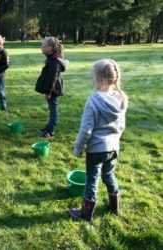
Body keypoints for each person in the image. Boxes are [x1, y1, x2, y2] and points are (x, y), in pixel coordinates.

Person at [69, 59, 128, 222]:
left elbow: (86, 130)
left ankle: (86, 214)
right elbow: (121, 126)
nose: (92, 81)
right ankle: (114, 205)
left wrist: (78, 148)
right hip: (113, 148)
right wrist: (115, 141)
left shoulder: (94, 100)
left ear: (101, 80)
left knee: (92, 180)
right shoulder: (122, 98)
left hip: (96, 150)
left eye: (93, 77)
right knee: (109, 175)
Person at [36, 37, 68, 138]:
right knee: (51, 108)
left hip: (53, 89)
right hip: (51, 88)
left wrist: (48, 92)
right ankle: (48, 126)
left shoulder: (54, 61)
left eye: (43, 46)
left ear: (49, 48)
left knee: (53, 109)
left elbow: (52, 78)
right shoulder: (51, 59)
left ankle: (51, 130)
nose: (41, 47)